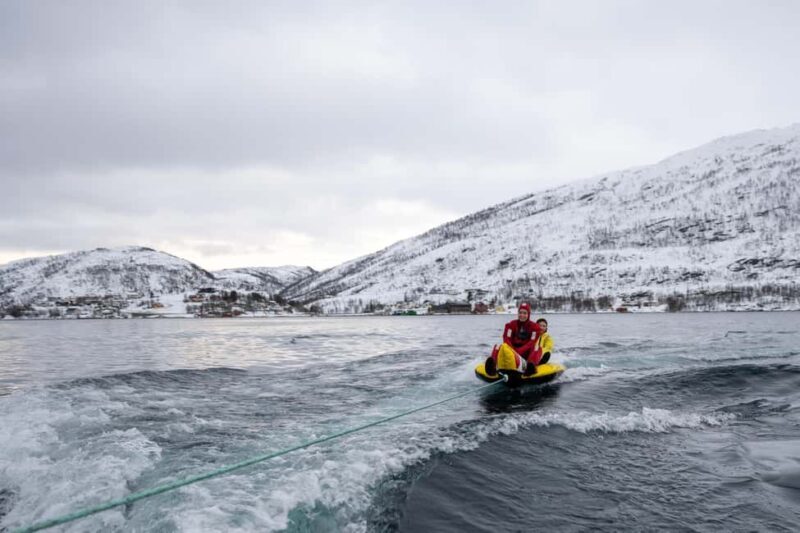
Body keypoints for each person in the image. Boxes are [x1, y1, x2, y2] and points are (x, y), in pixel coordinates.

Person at [485, 302, 542, 376]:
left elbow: (531, 342)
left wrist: (518, 351)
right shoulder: (511, 325)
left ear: (528, 314)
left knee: (537, 347)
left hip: (526, 354)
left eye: (525, 313)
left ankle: (530, 367)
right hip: (512, 352)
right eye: (520, 313)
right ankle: (492, 367)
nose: (522, 315)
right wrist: (512, 351)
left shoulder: (535, 327)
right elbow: (506, 338)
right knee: (499, 346)